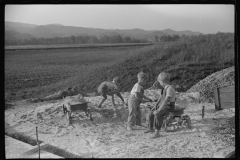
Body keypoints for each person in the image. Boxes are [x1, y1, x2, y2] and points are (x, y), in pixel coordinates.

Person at [144, 72, 176, 139]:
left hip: (169, 107)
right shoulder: (164, 89)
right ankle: (151, 128)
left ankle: (157, 132)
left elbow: (166, 100)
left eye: (159, 82)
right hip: (164, 106)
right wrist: (155, 105)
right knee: (151, 112)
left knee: (158, 114)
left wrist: (159, 109)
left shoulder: (169, 88)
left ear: (162, 81)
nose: (159, 83)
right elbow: (161, 98)